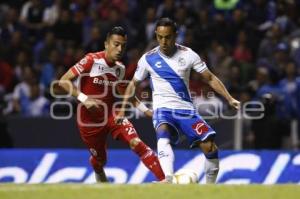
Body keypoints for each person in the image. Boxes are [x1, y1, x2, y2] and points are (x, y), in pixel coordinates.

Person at [116, 18, 240, 183]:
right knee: (163, 132)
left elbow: (209, 78)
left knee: (210, 147)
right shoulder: (148, 59)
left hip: (185, 109)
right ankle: (168, 179)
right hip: (162, 109)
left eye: (167, 37)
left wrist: (229, 98)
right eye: (160, 37)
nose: (163, 41)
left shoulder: (189, 55)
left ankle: (210, 188)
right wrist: (123, 108)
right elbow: (132, 85)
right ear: (156, 35)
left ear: (175, 35)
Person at [58, 26, 165, 183]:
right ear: (106, 44)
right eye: (116, 44)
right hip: (89, 122)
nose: (120, 49)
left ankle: (164, 181)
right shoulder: (91, 60)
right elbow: (63, 81)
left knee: (136, 142)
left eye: (123, 45)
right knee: (100, 161)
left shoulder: (120, 68)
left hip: (111, 116)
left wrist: (146, 110)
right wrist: (84, 98)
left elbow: (126, 93)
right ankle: (98, 170)